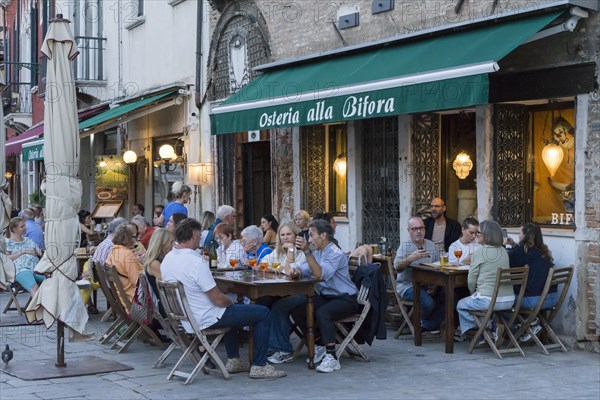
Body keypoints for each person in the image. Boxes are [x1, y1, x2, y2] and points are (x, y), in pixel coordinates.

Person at [160, 218, 286, 379]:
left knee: (233, 311)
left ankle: (234, 359)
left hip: (184, 318)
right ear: (193, 235)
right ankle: (259, 365)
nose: (200, 239)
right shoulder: (195, 262)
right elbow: (218, 300)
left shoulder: (168, 259)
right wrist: (228, 301)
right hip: (205, 317)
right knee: (262, 312)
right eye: (199, 235)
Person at [288, 219, 359, 373]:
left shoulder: (335, 253)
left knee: (323, 312)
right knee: (297, 306)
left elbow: (320, 274)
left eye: (312, 235)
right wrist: (297, 271)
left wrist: (306, 251)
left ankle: (332, 357)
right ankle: (319, 345)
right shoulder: (318, 251)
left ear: (323, 235)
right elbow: (306, 268)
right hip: (326, 296)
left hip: (345, 298)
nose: (310, 239)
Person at [455, 220, 513, 343]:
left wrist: (472, 292)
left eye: (479, 232)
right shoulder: (504, 251)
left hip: (489, 301)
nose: (476, 235)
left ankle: (490, 327)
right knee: (479, 303)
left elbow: (471, 279)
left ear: (487, 234)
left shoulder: (479, 252)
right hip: (509, 300)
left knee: (461, 305)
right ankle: (487, 333)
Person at [261, 221, 307, 364]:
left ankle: (284, 350)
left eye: (289, 234)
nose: (286, 238)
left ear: (295, 236)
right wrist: (273, 268)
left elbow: (288, 272)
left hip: (303, 293)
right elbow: (261, 265)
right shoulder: (277, 252)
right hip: (282, 292)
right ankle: (267, 345)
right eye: (282, 235)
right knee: (262, 302)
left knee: (279, 307)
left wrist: (291, 252)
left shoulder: (302, 254)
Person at [506, 222, 556, 342]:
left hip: (533, 301)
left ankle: (524, 324)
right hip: (551, 298)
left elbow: (506, 261)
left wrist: (504, 246)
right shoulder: (544, 252)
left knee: (501, 299)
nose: (518, 236)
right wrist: (514, 245)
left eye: (519, 233)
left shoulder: (521, 252)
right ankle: (529, 323)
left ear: (525, 236)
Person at [394, 216, 444, 332]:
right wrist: (411, 258)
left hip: (428, 285)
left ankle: (427, 324)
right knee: (428, 303)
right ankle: (425, 324)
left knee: (449, 296)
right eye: (415, 229)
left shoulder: (431, 245)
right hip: (407, 286)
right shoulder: (405, 246)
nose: (418, 231)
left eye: (421, 228)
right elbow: (397, 266)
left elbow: (438, 265)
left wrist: (436, 285)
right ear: (409, 231)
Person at [5, 217, 44, 296]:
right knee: (34, 287)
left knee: (54, 281)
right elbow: (6, 259)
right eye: (22, 226)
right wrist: (22, 252)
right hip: (20, 270)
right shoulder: (8, 242)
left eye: (24, 225)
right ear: (14, 229)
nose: (25, 228)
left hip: (36, 269)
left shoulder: (28, 240)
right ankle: (38, 308)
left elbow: (40, 253)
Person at [105, 224, 143, 303]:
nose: (136, 240)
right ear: (128, 238)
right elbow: (139, 283)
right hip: (135, 301)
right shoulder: (127, 255)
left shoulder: (113, 251)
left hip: (123, 299)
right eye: (134, 237)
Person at [143, 228, 175, 314]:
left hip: (166, 304)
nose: (174, 245)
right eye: (171, 242)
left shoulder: (161, 259)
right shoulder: (154, 263)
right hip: (164, 309)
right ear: (162, 243)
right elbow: (170, 284)